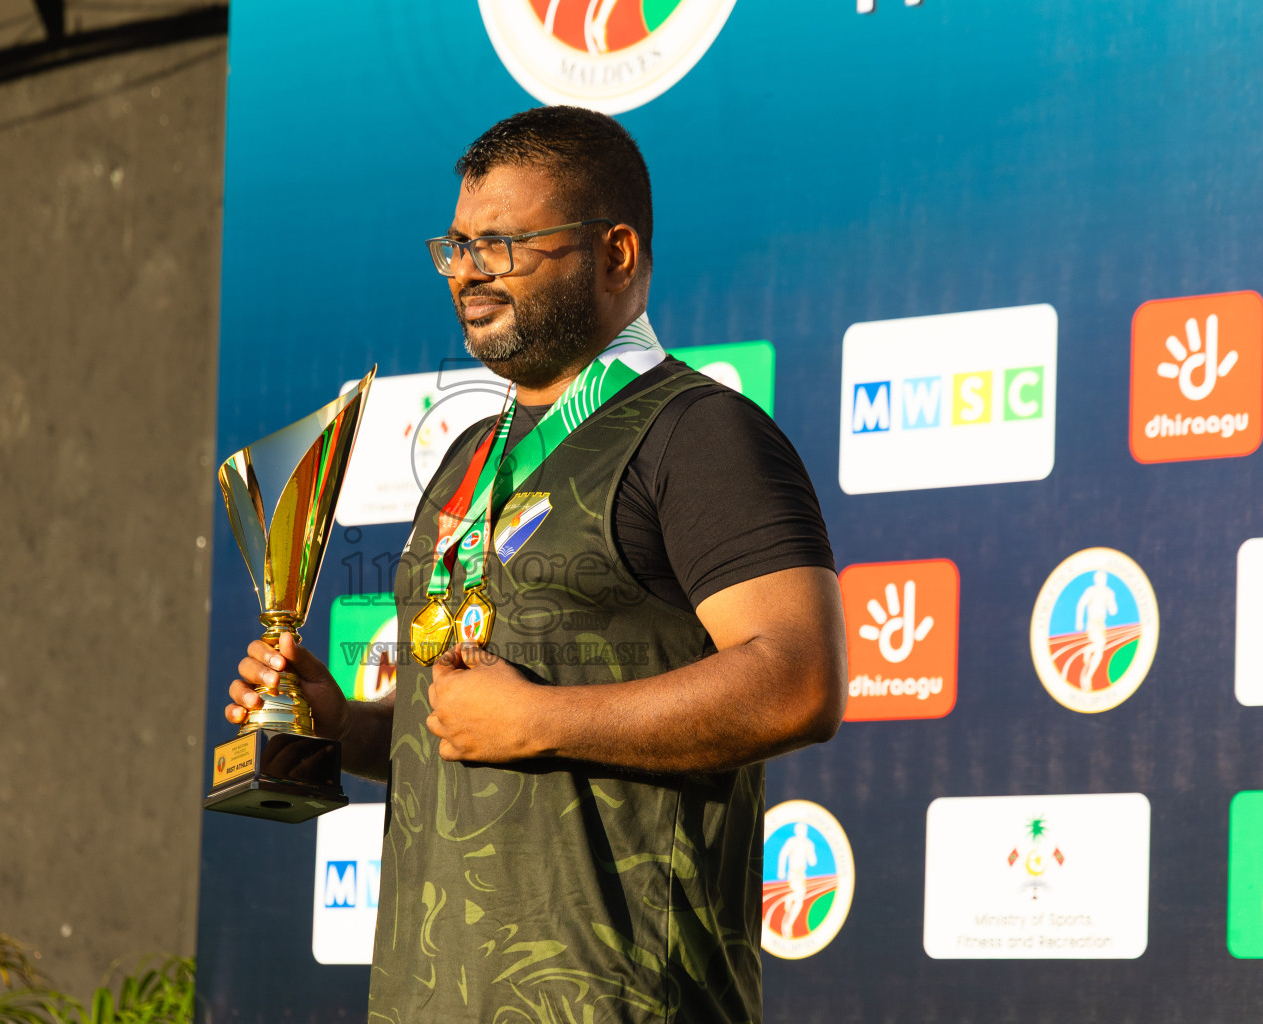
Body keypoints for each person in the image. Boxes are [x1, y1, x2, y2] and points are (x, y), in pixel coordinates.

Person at [227, 106, 847, 1024]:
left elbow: (799, 680)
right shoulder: (469, 456)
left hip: (623, 1001)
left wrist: (542, 719)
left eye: (505, 244)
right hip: (428, 996)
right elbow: (463, 728)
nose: (469, 272)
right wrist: (343, 726)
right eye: (457, 245)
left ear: (617, 252)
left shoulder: (701, 433)